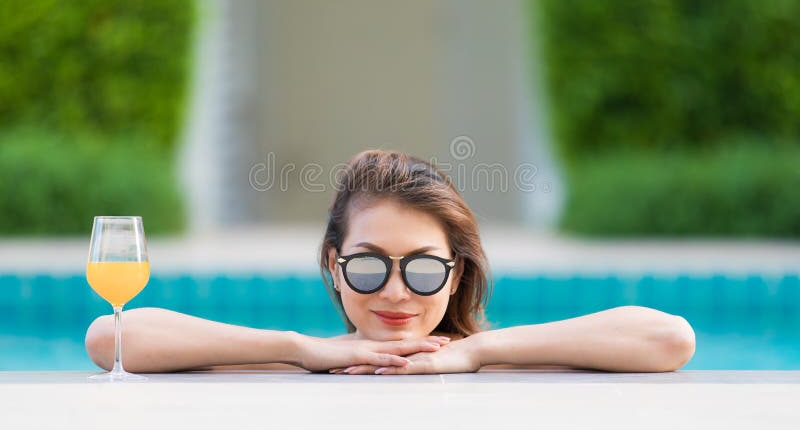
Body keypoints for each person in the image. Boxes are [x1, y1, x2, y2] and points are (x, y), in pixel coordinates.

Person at [85, 150, 695, 374]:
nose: (397, 294)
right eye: (369, 266)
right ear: (333, 264)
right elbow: (110, 334)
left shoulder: (489, 360)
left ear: (456, 273)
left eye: (424, 268)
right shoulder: (309, 359)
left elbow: (670, 338)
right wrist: (302, 348)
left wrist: (477, 351)